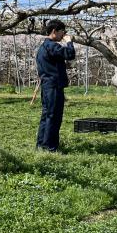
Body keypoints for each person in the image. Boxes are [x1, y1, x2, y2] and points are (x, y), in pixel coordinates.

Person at [36, 19, 76, 152]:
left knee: (47, 115)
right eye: (61, 33)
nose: (62, 36)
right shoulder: (52, 45)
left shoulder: (44, 47)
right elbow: (70, 54)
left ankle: (41, 144)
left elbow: (55, 60)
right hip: (53, 86)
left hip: (47, 85)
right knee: (54, 116)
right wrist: (69, 42)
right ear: (54, 31)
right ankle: (50, 147)